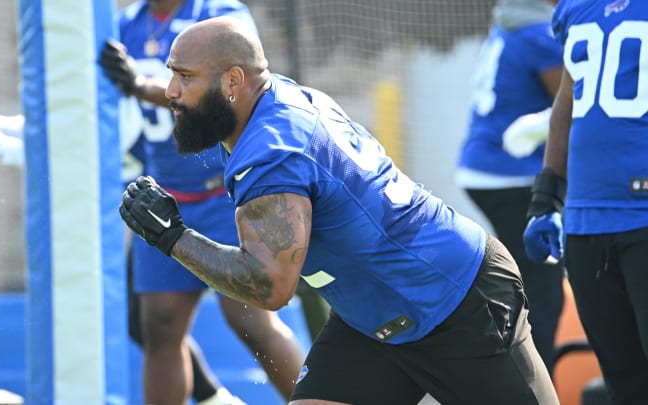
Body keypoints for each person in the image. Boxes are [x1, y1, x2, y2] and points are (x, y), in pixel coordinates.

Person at [118, 16, 561, 404]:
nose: (171, 92)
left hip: (455, 299)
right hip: (374, 316)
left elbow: (271, 286)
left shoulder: (271, 153)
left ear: (233, 82)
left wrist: (172, 237)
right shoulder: (278, 97)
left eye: (185, 77)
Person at [0, 109, 246, 405]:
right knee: (148, 325)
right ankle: (214, 398)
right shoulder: (122, 89)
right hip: (162, 200)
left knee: (248, 320)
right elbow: (76, 117)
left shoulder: (147, 84)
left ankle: (232, 396)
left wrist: (15, 151)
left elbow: (89, 142)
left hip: (195, 201)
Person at [98, 1, 305, 404]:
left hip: (225, 193)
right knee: (159, 327)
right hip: (166, 194)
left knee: (252, 321)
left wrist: (140, 84)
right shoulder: (126, 23)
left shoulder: (221, 16)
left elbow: (220, 95)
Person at [523, 1, 648, 404]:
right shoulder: (573, 10)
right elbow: (568, 100)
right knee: (624, 383)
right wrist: (546, 198)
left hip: (642, 218)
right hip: (585, 225)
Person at [455, 0, 564, 372]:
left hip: (488, 166)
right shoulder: (538, 32)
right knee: (542, 289)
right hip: (510, 170)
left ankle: (506, 377)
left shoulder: (512, 22)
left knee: (523, 283)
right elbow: (570, 103)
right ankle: (529, 385)